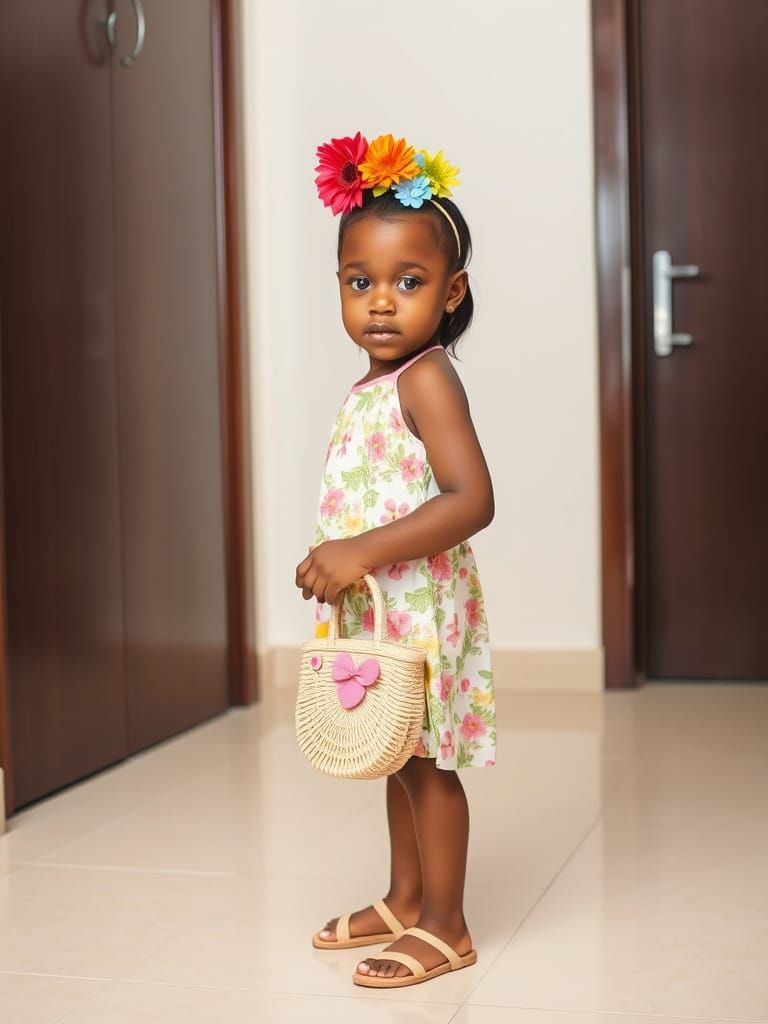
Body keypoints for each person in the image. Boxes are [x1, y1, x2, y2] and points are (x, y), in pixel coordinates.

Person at [294, 132, 496, 990]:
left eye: (409, 284)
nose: (382, 303)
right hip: (382, 609)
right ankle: (403, 894)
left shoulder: (427, 378)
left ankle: (445, 924)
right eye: (360, 282)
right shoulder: (378, 380)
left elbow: (470, 499)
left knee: (426, 763)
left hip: (421, 607)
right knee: (393, 750)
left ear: (449, 294)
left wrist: (358, 550)